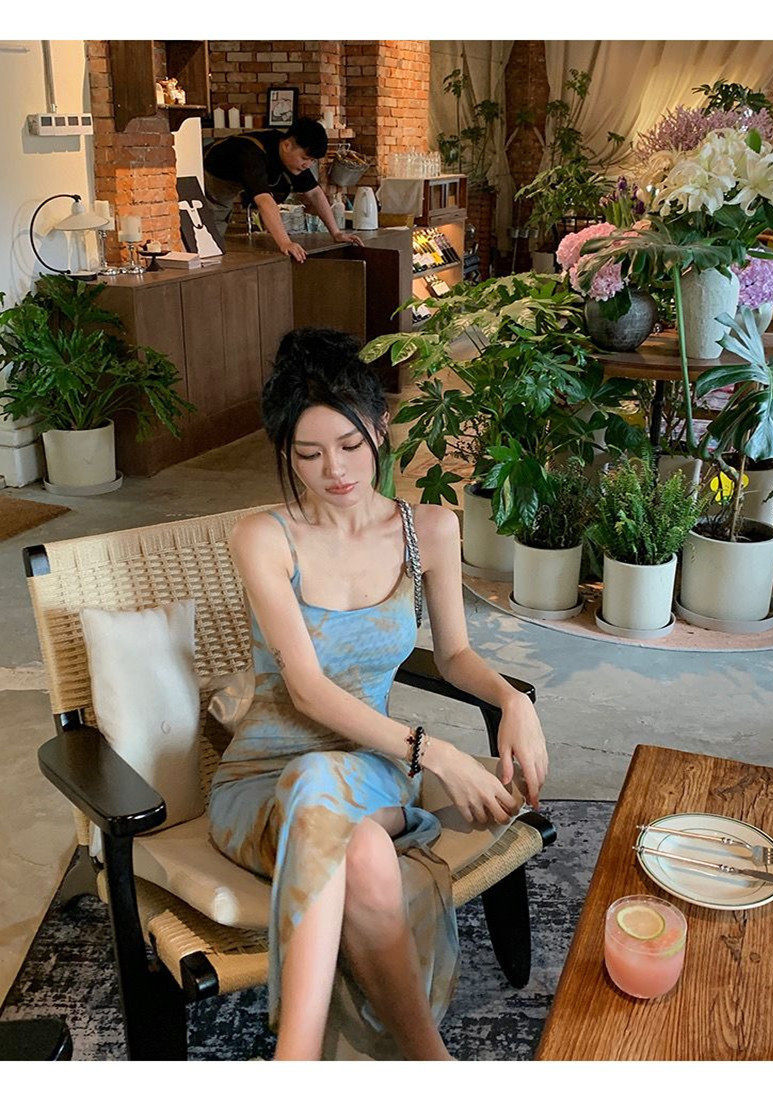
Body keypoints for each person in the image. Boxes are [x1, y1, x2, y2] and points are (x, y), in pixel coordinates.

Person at [207, 328, 548, 1061]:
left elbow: (454, 655)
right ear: (284, 452)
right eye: (308, 454)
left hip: (374, 767)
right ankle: (429, 1063)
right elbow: (306, 690)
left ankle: (293, 1065)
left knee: (326, 785)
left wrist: (512, 700)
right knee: (359, 844)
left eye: (350, 444)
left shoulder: (428, 529)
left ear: (380, 425)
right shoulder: (264, 537)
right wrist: (437, 753)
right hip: (258, 784)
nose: (334, 470)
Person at [203, 117, 363, 262]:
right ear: (287, 145)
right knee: (208, 242)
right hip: (209, 181)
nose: (308, 165)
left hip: (233, 183)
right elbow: (264, 201)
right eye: (305, 158)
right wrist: (285, 243)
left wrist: (336, 233)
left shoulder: (292, 157)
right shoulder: (251, 154)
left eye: (312, 161)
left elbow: (315, 193)